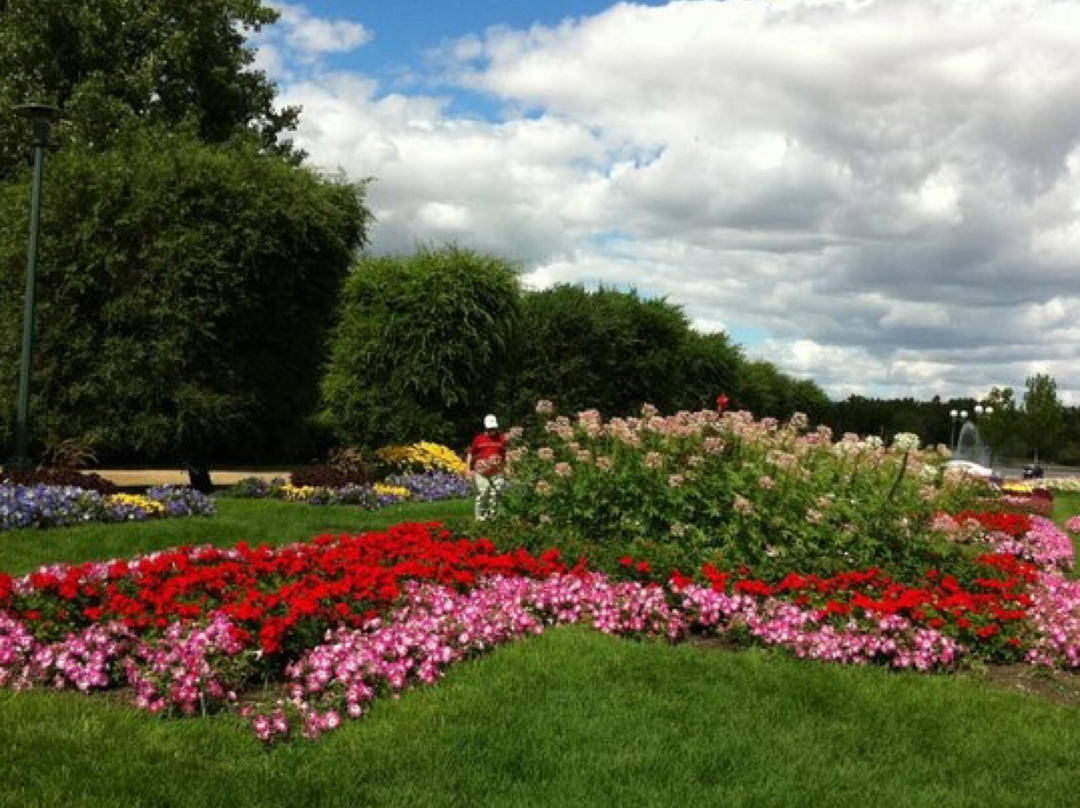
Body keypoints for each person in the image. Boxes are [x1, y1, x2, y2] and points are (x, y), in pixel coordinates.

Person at [466, 414, 508, 521]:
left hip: (496, 471)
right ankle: (480, 518)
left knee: (496, 493)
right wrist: (468, 469)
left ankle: (492, 517)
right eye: (489, 429)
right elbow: (470, 454)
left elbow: (505, 454)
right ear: (485, 427)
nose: (492, 431)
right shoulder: (479, 439)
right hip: (481, 472)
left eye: (493, 428)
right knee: (484, 491)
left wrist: (506, 467)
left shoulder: (501, 438)